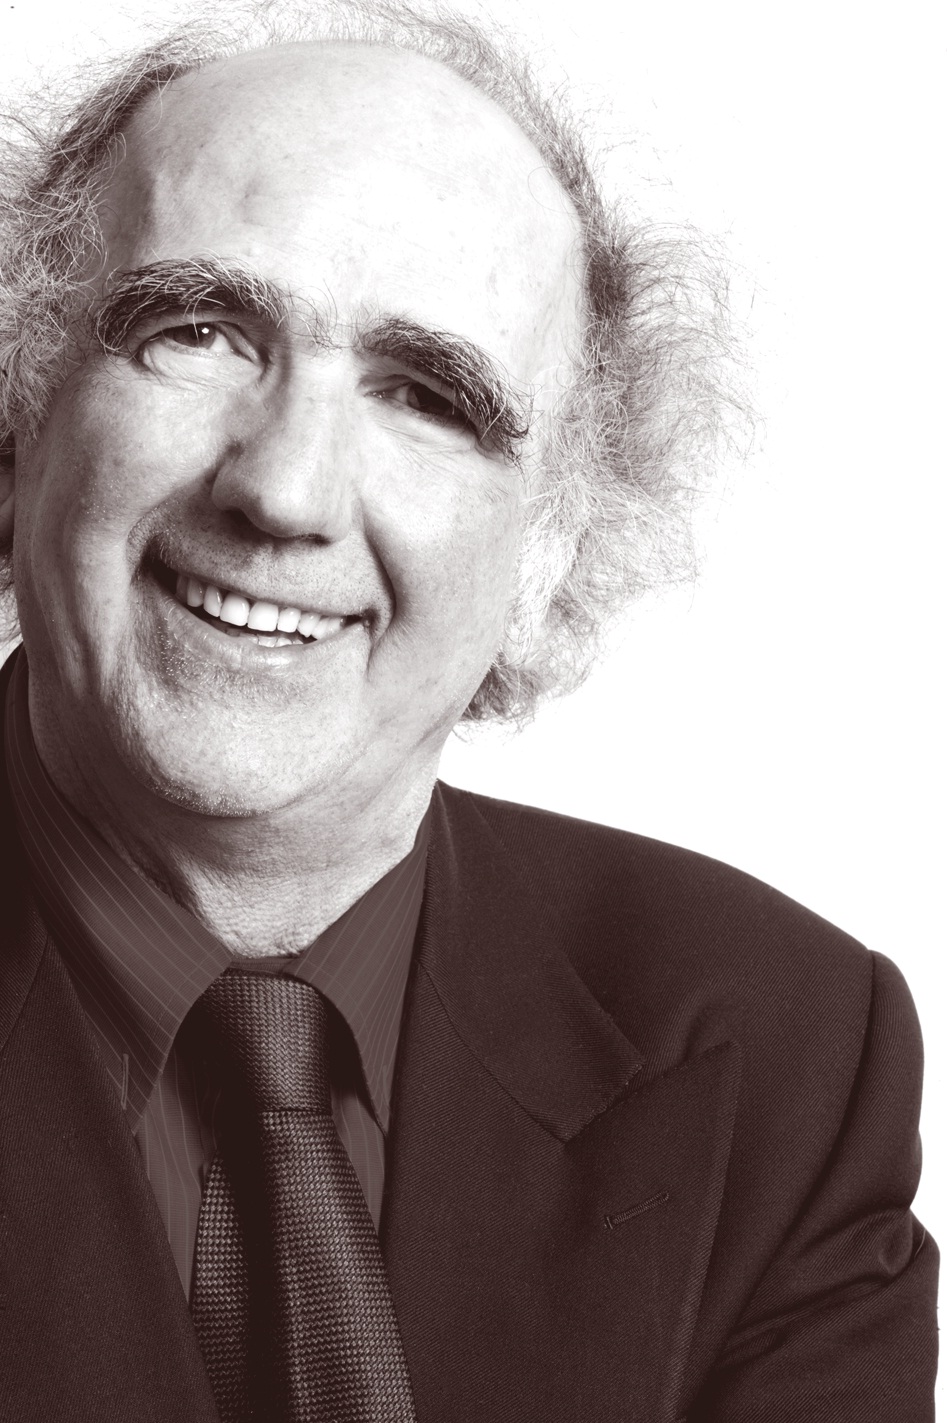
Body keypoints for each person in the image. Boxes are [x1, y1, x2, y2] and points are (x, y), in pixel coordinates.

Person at [0, 2, 937, 1420]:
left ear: (559, 545)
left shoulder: (780, 1051)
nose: (285, 491)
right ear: (18, 422)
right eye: (197, 331)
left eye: (430, 396)